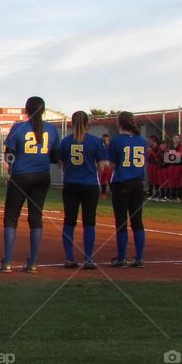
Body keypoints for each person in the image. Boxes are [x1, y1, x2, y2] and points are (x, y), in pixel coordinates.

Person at [1, 96, 59, 273]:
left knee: (11, 217)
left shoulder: (19, 128)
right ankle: (33, 262)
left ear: (26, 110)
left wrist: (11, 167)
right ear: (43, 110)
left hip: (21, 176)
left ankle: (8, 262)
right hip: (42, 176)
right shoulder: (52, 129)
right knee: (35, 218)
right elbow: (55, 157)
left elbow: (9, 153)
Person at [58, 111, 107, 269]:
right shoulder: (94, 142)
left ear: (72, 123)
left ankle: (69, 258)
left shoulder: (65, 141)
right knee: (89, 222)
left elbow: (62, 165)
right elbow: (101, 168)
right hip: (89, 185)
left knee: (69, 221)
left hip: (71, 184)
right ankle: (88, 259)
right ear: (87, 123)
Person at [107, 111, 148, 268]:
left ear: (120, 123)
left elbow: (112, 165)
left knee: (121, 221)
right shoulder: (142, 141)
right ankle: (139, 258)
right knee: (137, 222)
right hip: (138, 183)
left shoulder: (117, 141)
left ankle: (122, 258)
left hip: (121, 182)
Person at [100, 133, 113, 199]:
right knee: (103, 178)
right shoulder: (101, 147)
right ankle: (103, 193)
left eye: (107, 140)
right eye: (104, 140)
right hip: (103, 162)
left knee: (109, 178)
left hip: (108, 163)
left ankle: (111, 192)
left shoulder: (110, 147)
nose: (105, 141)